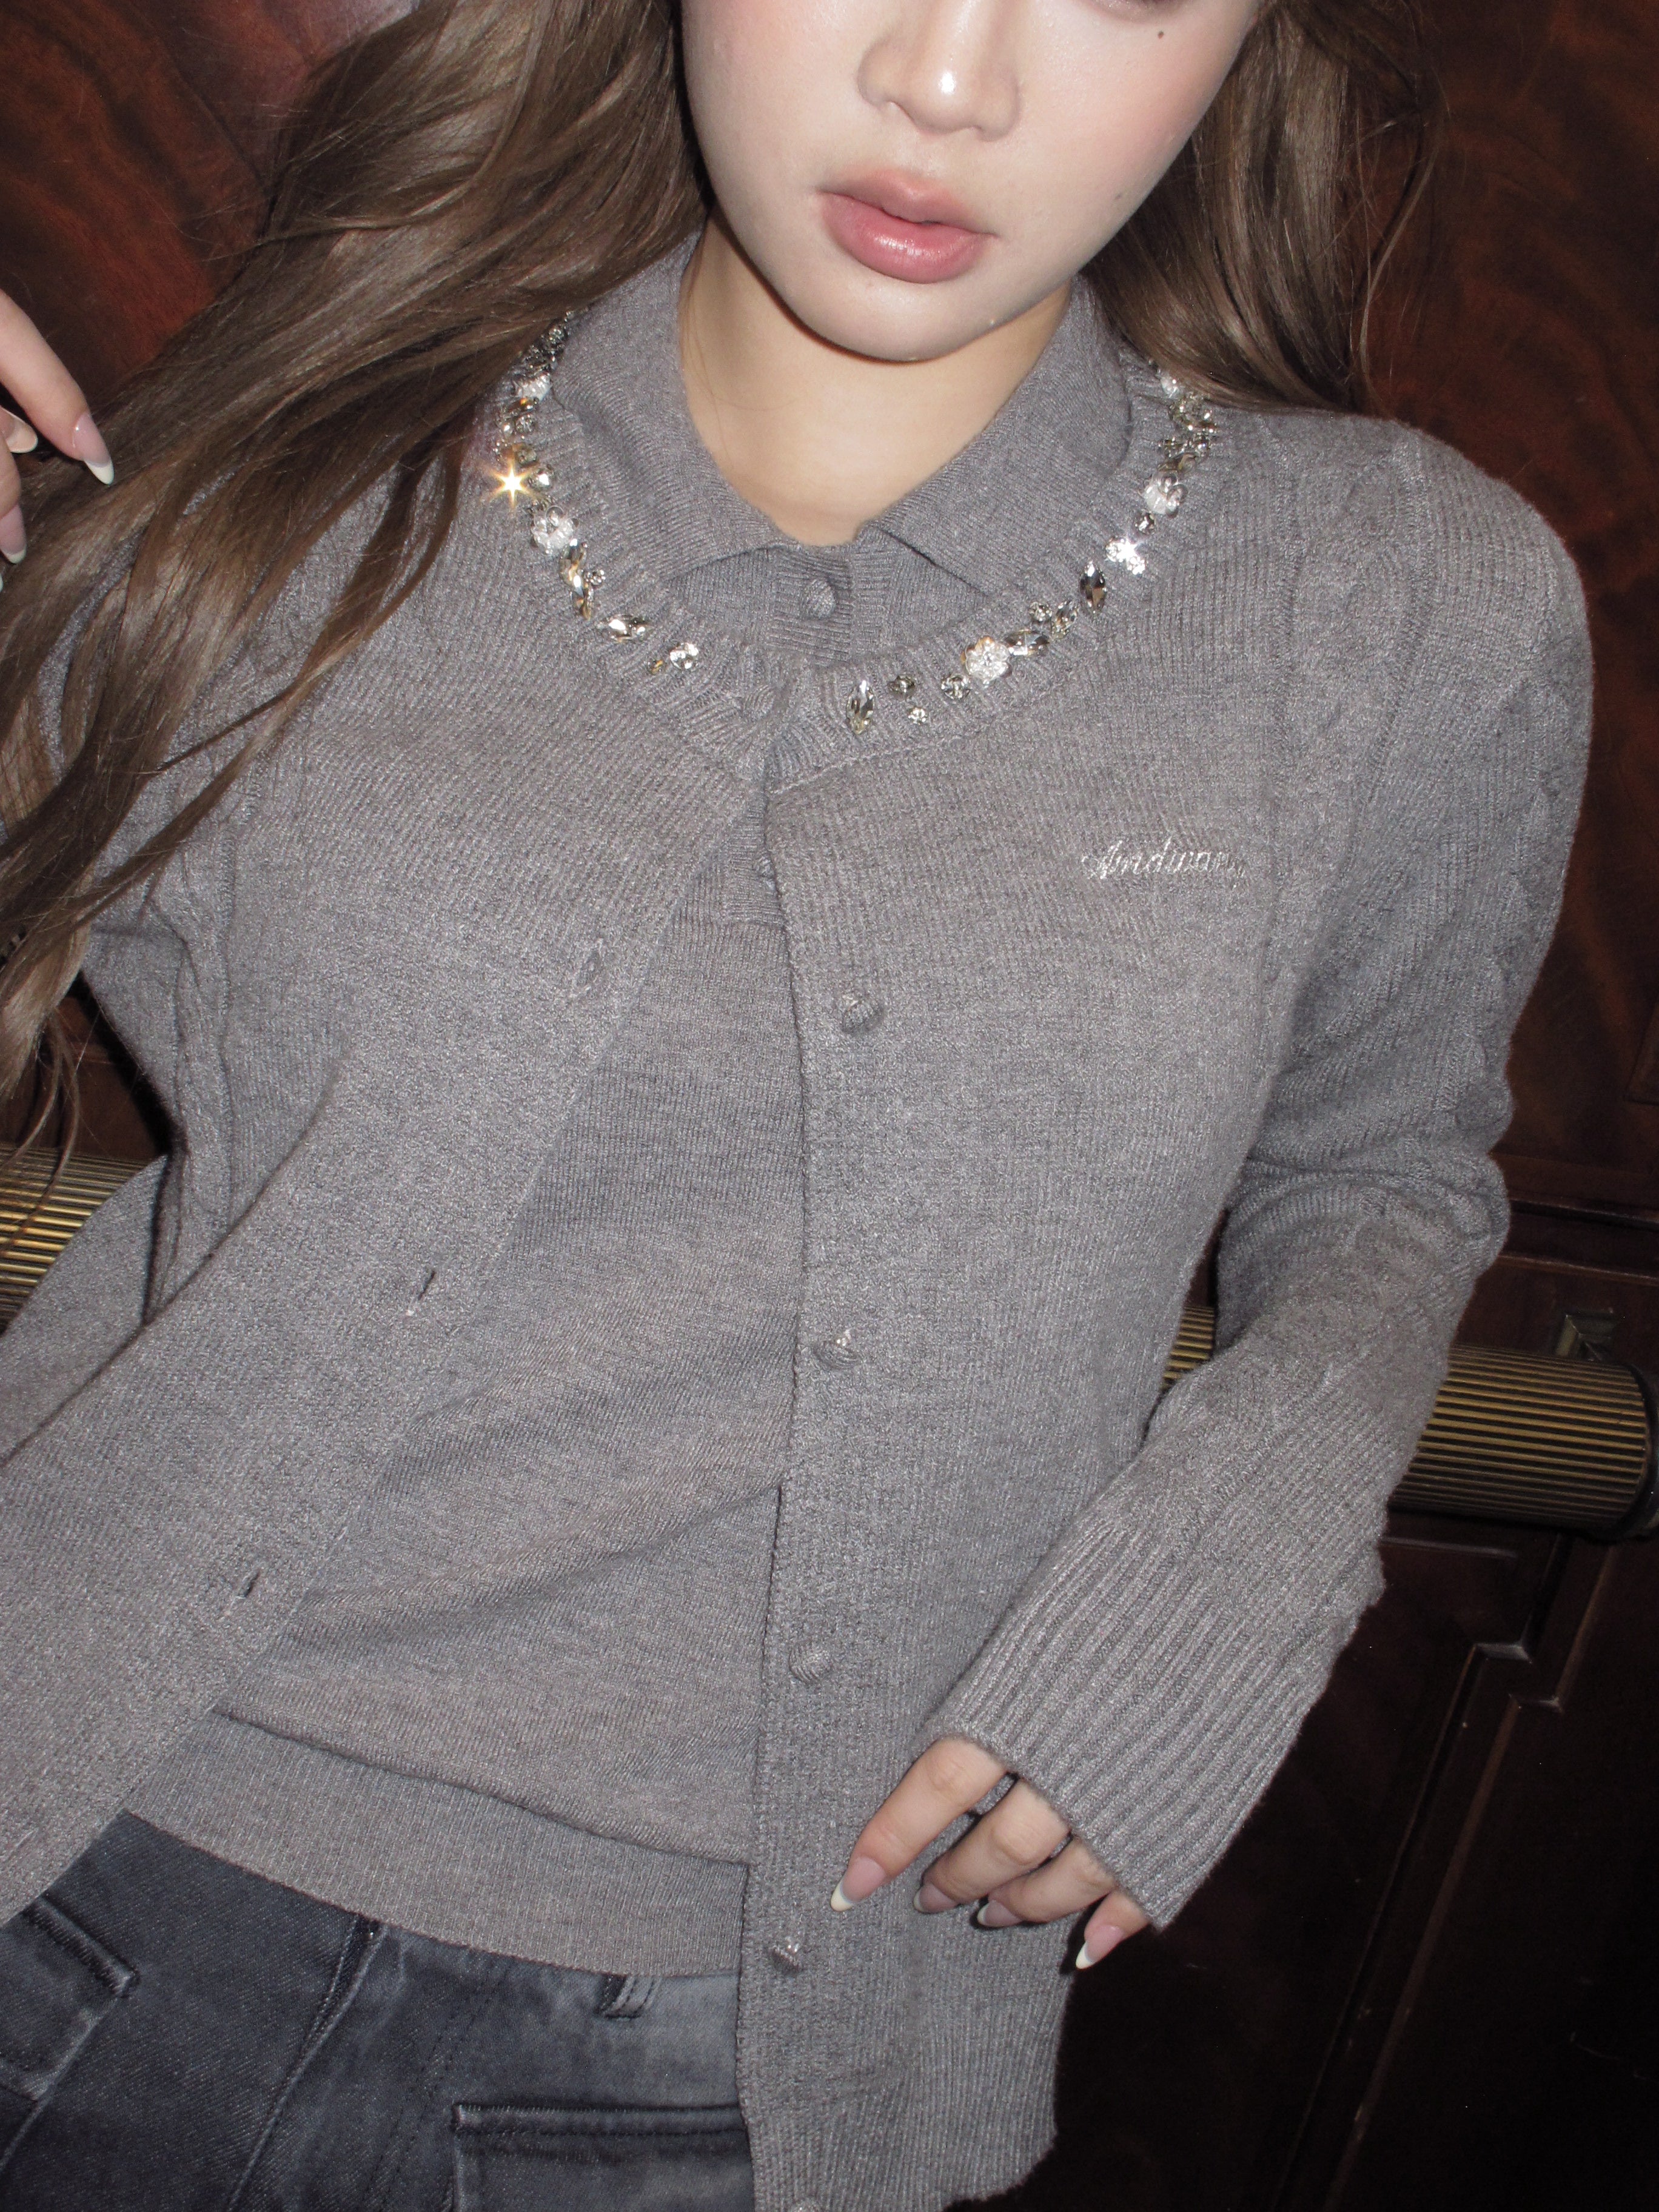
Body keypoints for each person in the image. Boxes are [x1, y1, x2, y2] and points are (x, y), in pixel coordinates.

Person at [0, 1, 1590, 2207]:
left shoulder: (1400, 604)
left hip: (719, 2072)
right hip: (59, 1858)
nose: (949, 80)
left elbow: (1386, 1171)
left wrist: (1225, 1580)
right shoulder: (294, 476)